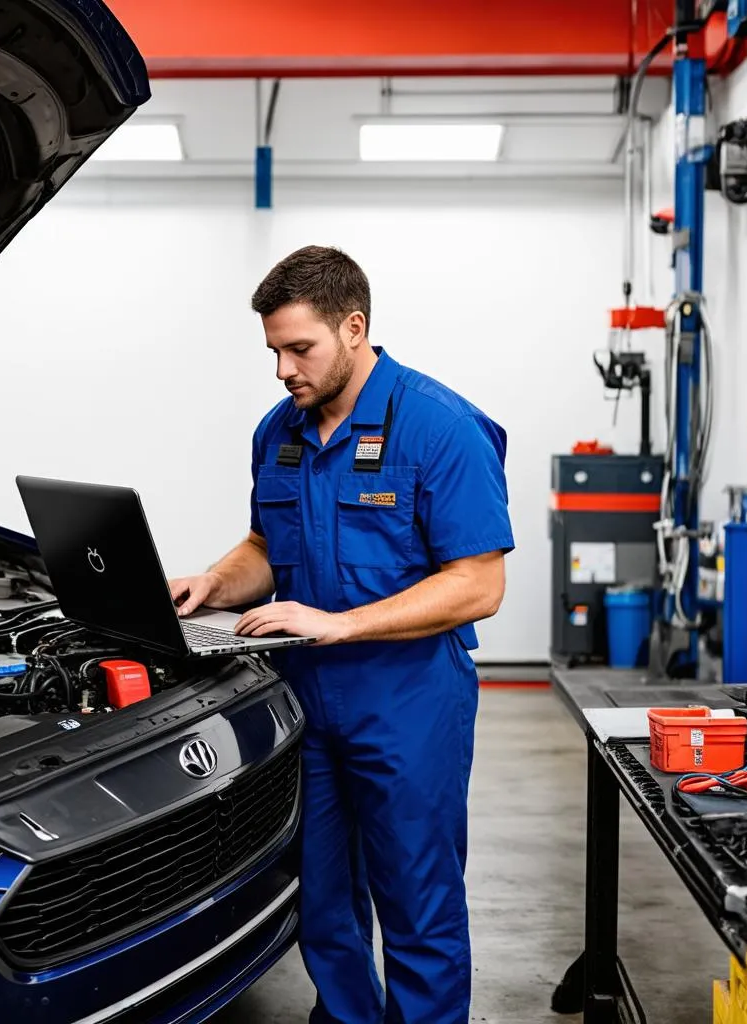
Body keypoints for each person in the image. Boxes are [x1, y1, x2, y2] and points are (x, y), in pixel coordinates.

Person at [169, 245, 514, 1024]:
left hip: (408, 704)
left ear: (353, 327)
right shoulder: (278, 433)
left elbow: (480, 584)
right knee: (322, 901)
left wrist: (340, 623)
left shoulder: (439, 427)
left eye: (300, 349)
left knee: (416, 901)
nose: (285, 370)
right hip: (307, 703)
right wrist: (213, 584)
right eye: (274, 352)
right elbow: (265, 546)